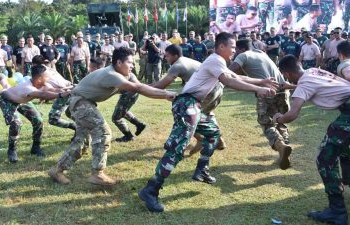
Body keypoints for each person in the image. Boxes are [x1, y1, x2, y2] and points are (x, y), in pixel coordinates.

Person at [138, 32, 276, 213]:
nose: (234, 50)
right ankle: (151, 189)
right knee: (178, 147)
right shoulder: (215, 60)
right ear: (221, 47)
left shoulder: (219, 62)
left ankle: (202, 170)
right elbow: (228, 80)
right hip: (187, 104)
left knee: (213, 134)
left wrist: (262, 81)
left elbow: (236, 77)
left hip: (193, 105)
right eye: (232, 47)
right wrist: (259, 88)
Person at [48, 47, 175, 186]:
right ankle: (97, 174)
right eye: (130, 63)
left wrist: (167, 94)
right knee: (103, 132)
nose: (133, 65)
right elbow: (138, 89)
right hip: (79, 101)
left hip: (85, 102)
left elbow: (141, 87)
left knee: (82, 142)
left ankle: (57, 170)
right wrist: (167, 94)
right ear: (119, 63)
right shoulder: (110, 74)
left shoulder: (127, 74)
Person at [275, 55, 349, 225]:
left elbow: (292, 115)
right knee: (345, 149)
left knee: (325, 159)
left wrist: (279, 118)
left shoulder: (304, 84)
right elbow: (314, 85)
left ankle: (337, 212)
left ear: (287, 73)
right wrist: (292, 86)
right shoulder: (313, 71)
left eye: (286, 76)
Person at [229, 39, 296, 169]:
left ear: (241, 49)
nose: (234, 52)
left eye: (235, 50)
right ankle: (285, 148)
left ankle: (281, 146)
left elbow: (229, 72)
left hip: (267, 92)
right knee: (280, 121)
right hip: (283, 91)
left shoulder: (243, 55)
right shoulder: (262, 54)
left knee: (267, 123)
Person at [0, 64, 70, 162]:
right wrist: (61, 95)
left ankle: (35, 148)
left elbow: (53, 89)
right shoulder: (27, 87)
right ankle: (12, 150)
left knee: (38, 120)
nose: (49, 79)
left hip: (22, 100)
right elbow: (44, 94)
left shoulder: (41, 84)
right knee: (16, 123)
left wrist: (69, 89)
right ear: (40, 78)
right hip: (7, 100)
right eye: (47, 77)